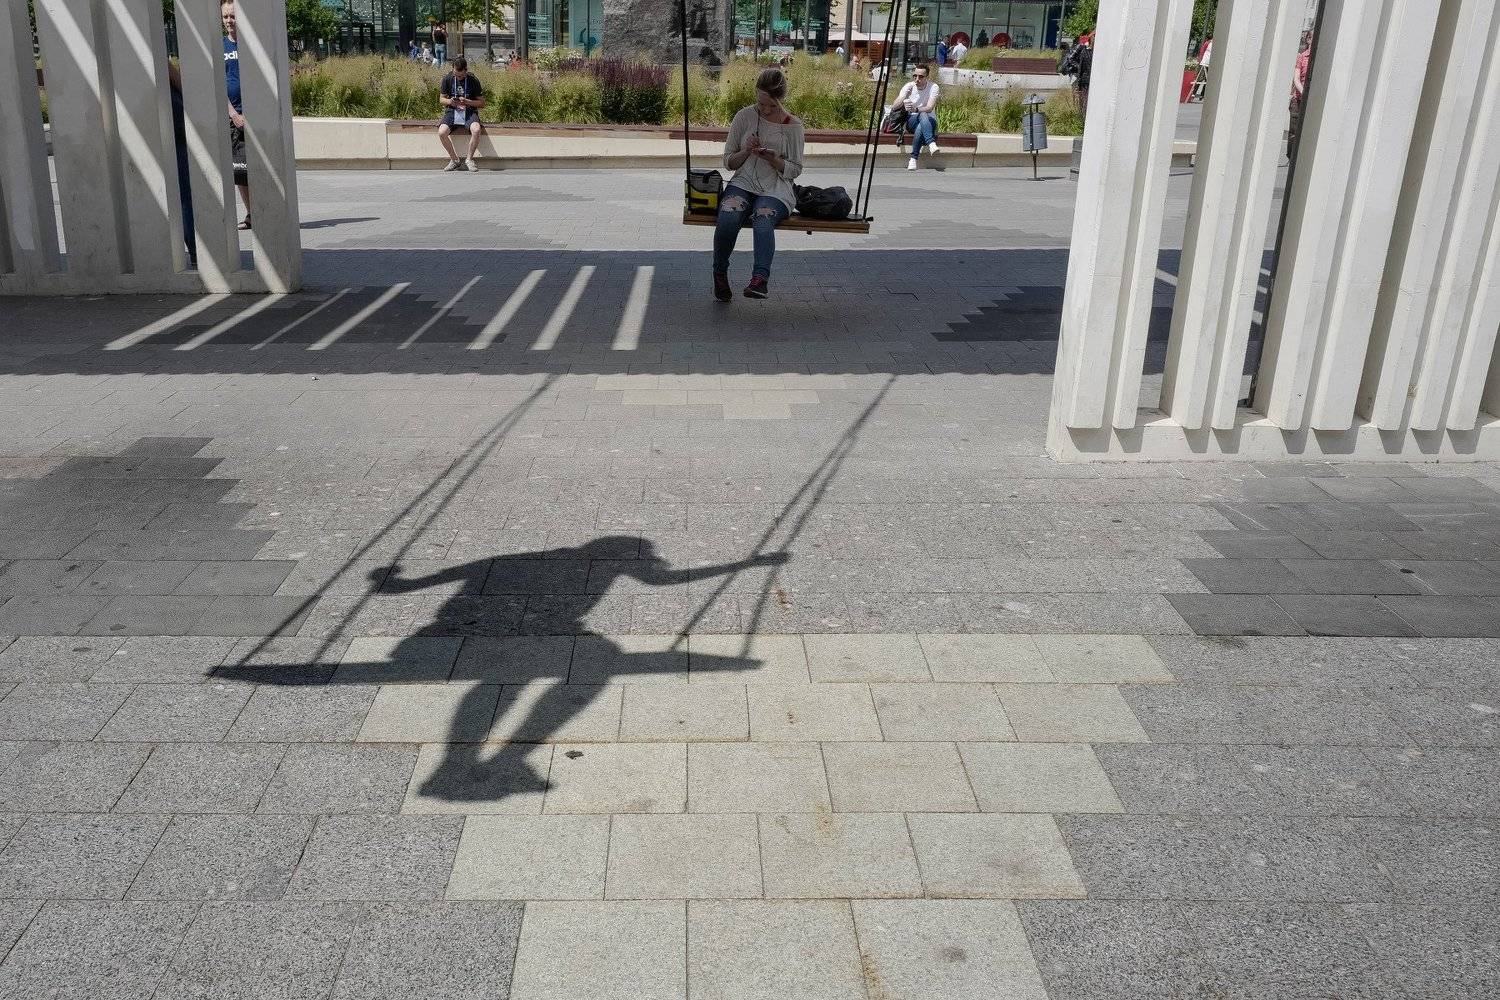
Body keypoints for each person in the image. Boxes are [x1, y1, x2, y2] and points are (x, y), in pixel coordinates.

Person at [712, 67, 804, 302]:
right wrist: (746, 151)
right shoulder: (744, 117)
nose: (765, 110)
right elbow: (728, 162)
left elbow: (795, 169)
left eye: (772, 105)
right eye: (761, 103)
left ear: (780, 100)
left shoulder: (793, 126)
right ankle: (719, 272)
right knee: (728, 215)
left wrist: (773, 159)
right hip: (743, 182)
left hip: (775, 188)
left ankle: (759, 279)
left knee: (763, 217)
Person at [221, 1, 251, 231]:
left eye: (233, 16)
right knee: (241, 169)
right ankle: (251, 214)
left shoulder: (250, 45)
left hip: (255, 116)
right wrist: (233, 114)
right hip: (235, 118)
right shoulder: (220, 47)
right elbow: (218, 84)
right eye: (226, 17)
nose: (230, 21)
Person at [438, 57, 486, 172]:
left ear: (466, 70)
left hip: (469, 110)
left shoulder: (473, 80)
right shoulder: (447, 78)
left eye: (461, 76)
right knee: (442, 132)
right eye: (456, 75)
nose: (458, 77)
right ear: (453, 69)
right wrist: (450, 102)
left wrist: (468, 102)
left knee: (476, 130)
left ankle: (469, 159)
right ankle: (455, 160)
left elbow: (482, 103)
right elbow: (441, 99)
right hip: (452, 110)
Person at [895, 63, 939, 170]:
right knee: (921, 116)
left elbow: (929, 108)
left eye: (921, 77)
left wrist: (916, 109)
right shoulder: (909, 86)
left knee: (922, 121)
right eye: (915, 76)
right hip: (911, 121)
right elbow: (894, 106)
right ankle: (931, 143)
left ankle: (913, 159)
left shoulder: (933, 87)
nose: (917, 79)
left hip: (930, 121)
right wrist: (905, 96)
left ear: (927, 77)